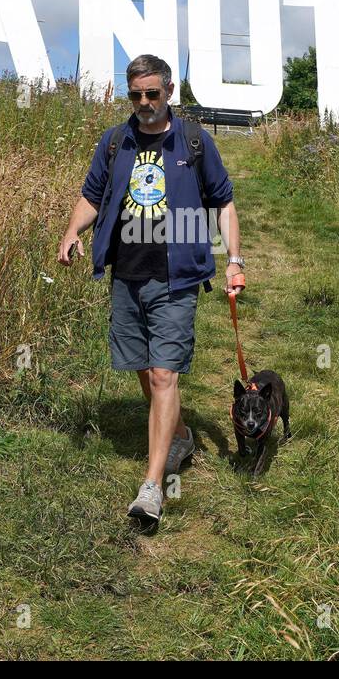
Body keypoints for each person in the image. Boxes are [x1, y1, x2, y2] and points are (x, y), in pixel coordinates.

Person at [57, 54, 245, 525]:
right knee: (141, 367)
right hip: (127, 274)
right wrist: (72, 231)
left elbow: (223, 202)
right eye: (135, 95)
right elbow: (92, 195)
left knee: (164, 375)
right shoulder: (115, 142)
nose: (144, 103)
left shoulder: (195, 142)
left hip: (177, 277)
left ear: (169, 92)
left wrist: (235, 261)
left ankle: (152, 486)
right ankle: (179, 434)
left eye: (152, 94)